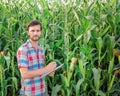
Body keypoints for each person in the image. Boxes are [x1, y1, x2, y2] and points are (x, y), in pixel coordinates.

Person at [17, 20, 56, 96]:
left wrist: (50, 71)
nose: (35, 33)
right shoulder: (23, 49)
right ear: (28, 32)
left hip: (42, 90)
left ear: (41, 32)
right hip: (29, 92)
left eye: (38, 30)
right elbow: (25, 74)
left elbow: (40, 69)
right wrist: (46, 69)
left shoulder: (41, 48)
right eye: (32, 31)